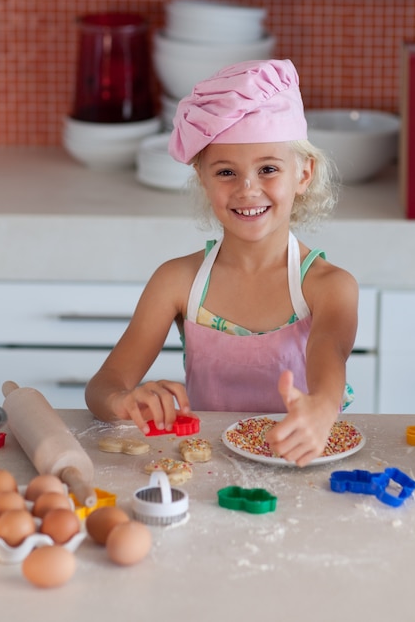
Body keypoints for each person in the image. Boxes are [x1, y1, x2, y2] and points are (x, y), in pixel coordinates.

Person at [85, 59, 358, 466]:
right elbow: (102, 386)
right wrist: (125, 400)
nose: (248, 189)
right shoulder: (177, 282)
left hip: (304, 466)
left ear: (304, 174)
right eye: (226, 172)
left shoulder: (328, 286)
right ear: (203, 180)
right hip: (205, 468)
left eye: (268, 169)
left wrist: (321, 408)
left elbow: (329, 353)